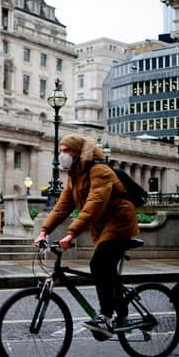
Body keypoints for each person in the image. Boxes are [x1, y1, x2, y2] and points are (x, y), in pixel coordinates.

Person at [34, 134, 139, 338]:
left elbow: (94, 205)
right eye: (60, 150)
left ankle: (106, 318)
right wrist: (43, 232)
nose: (61, 155)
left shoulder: (99, 171)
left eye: (65, 150)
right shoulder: (75, 175)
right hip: (102, 226)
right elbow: (62, 207)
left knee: (99, 264)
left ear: (76, 152)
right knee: (107, 270)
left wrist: (71, 233)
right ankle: (122, 313)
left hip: (120, 222)